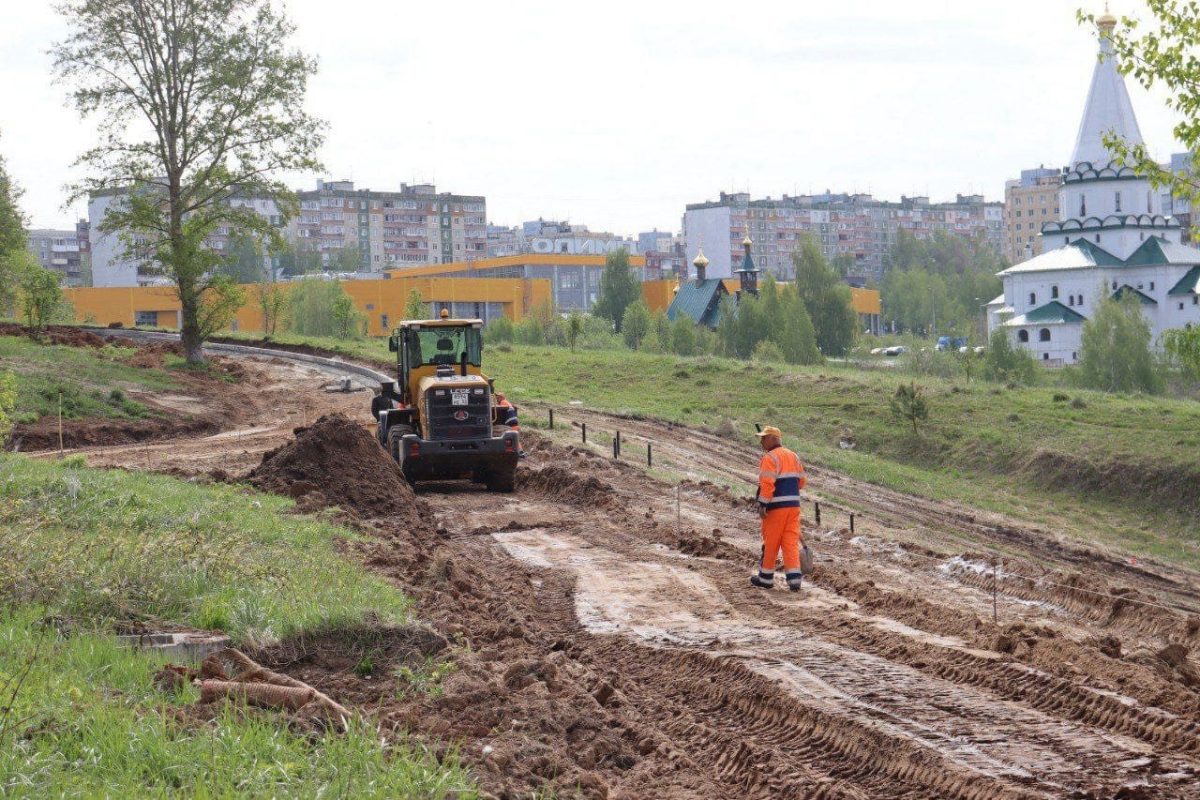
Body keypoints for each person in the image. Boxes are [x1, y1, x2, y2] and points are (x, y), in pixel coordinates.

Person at [751, 426, 806, 591]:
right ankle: (795, 580)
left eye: (764, 438)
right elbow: (802, 482)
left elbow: (767, 484)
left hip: (776, 508)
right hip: (793, 507)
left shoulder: (770, 458)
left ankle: (766, 578)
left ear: (773, 439)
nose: (761, 442)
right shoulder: (793, 456)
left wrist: (763, 504)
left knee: (771, 542)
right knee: (790, 542)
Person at [495, 391, 526, 458]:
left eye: (497, 397)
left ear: (501, 397)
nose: (496, 398)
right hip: (515, 425)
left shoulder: (503, 402)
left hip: (513, 425)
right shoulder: (507, 403)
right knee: (516, 440)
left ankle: (520, 453)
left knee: (514, 440)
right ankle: (521, 453)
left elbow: (499, 410)